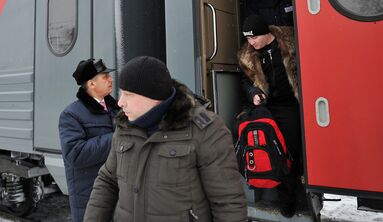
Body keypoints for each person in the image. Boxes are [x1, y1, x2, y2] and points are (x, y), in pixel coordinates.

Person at [84, 56, 247, 222]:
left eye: (129, 94)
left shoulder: (205, 130)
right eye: (121, 93)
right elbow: (107, 180)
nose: (120, 102)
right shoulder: (125, 126)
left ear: (154, 97)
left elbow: (228, 202)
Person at [237, 14, 302, 218]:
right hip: (267, 106)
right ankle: (282, 197)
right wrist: (253, 93)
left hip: (291, 105)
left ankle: (294, 194)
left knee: (291, 150)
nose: (251, 42)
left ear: (266, 33)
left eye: (254, 38)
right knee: (272, 150)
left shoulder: (290, 44)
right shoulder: (249, 55)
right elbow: (245, 81)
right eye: (247, 39)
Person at [59, 58, 120, 222]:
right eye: (105, 76)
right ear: (91, 84)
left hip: (117, 191)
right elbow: (76, 154)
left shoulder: (116, 109)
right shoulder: (70, 114)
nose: (111, 79)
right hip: (89, 197)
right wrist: (117, 138)